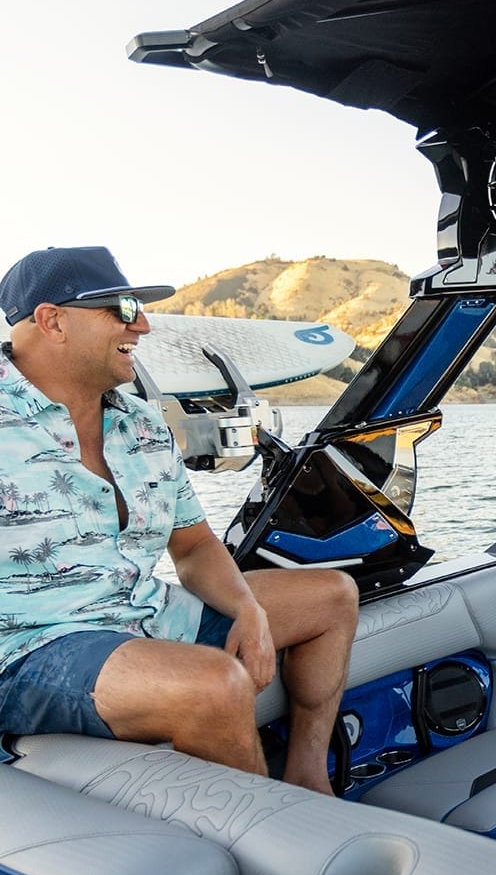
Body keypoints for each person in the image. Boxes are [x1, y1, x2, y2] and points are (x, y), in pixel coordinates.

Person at [0, 245, 359, 794]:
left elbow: (191, 548)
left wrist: (248, 610)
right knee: (213, 685)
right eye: (121, 308)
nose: (142, 325)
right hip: (32, 648)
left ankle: (309, 780)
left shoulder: (142, 424)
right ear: (52, 321)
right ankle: (272, 848)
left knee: (333, 596)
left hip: (143, 614)